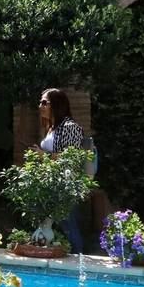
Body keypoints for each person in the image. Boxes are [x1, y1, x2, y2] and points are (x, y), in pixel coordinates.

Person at [36, 87, 88, 254]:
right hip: (53, 182)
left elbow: (72, 156)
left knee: (67, 224)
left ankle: (78, 260)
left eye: (45, 102)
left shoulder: (70, 127)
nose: (41, 106)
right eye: (40, 102)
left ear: (57, 105)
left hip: (66, 183)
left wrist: (44, 155)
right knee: (55, 224)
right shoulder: (53, 128)